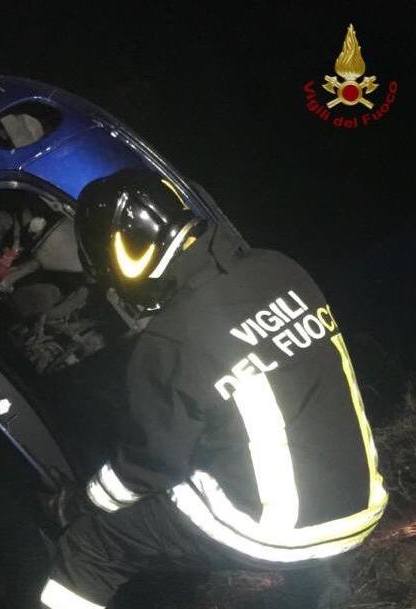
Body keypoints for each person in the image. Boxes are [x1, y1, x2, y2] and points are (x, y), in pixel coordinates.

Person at [39, 167, 388, 609]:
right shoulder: (280, 269)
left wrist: (83, 503)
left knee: (92, 548)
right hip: (361, 504)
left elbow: (150, 468)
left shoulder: (170, 339)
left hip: (278, 528)